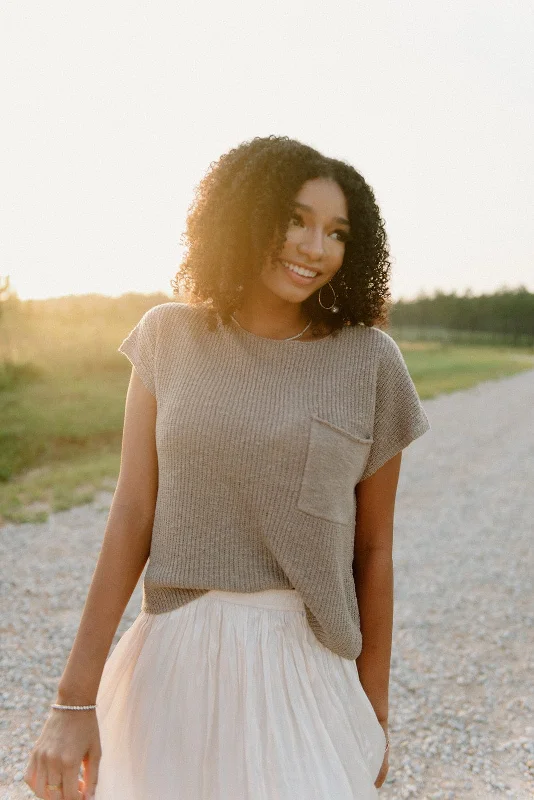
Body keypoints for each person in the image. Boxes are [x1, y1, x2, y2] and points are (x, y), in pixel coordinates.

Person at [24, 135, 430, 800]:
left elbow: (375, 547)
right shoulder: (169, 338)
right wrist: (73, 701)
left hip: (307, 668)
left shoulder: (371, 363)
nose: (313, 247)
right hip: (174, 664)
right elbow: (132, 513)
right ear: (243, 215)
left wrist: (374, 710)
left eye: (336, 232)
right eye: (295, 219)